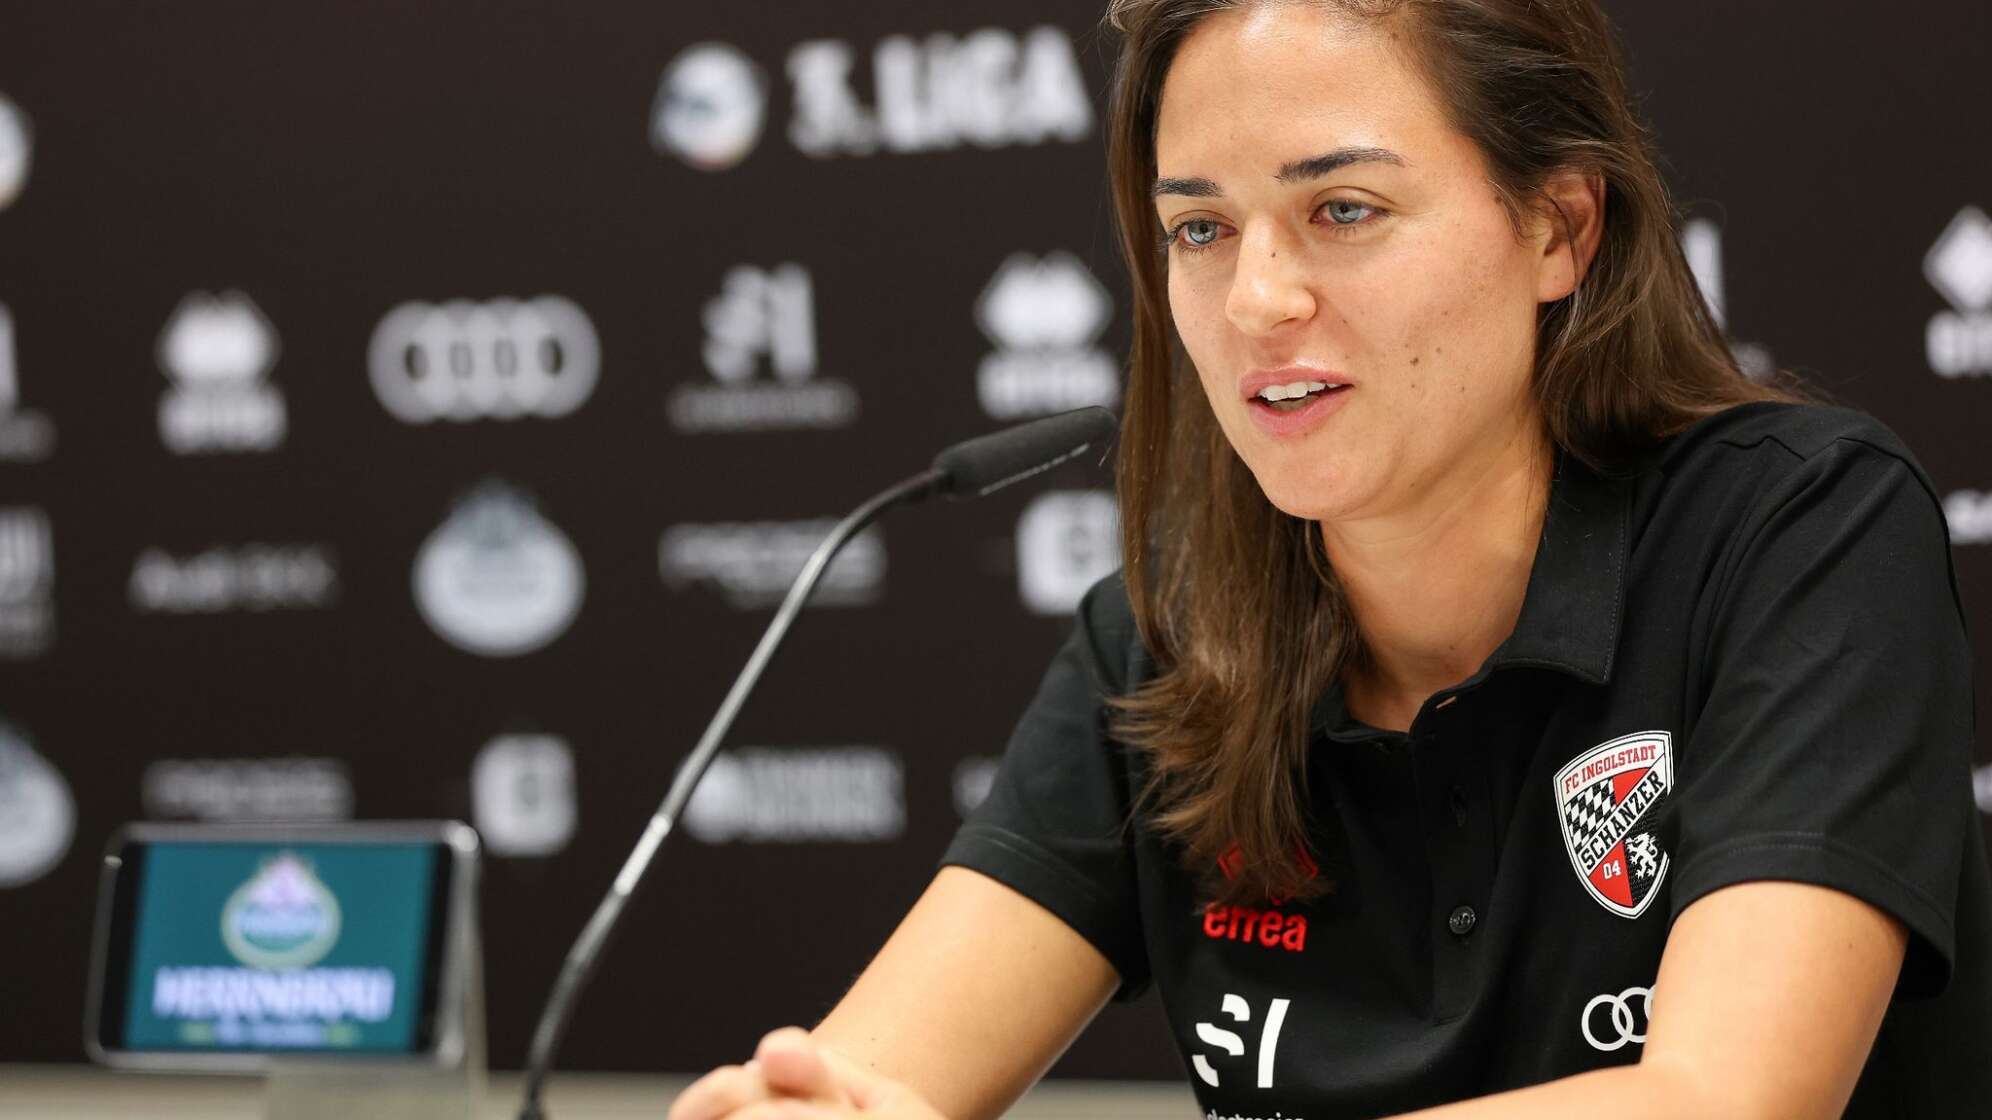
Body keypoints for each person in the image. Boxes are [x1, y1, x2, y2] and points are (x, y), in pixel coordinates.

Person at [668, 0, 1992, 1116]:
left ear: (1560, 230)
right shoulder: (1171, 630)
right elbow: (875, 1074)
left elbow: (1719, 1100)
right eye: (1200, 229)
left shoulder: (1799, 532)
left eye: (1345, 209)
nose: (1256, 300)